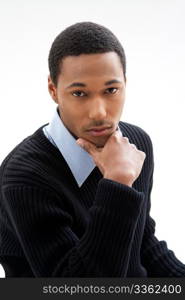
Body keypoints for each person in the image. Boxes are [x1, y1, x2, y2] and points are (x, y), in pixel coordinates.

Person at [0, 22, 185, 278]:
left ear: (125, 84)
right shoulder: (23, 177)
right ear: (53, 90)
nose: (99, 112)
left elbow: (141, 244)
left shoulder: (136, 144)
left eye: (111, 90)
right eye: (79, 93)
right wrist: (118, 183)